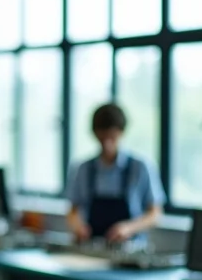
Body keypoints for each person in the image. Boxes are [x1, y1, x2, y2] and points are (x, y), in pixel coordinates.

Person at [66, 102, 165, 243]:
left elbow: (155, 214)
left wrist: (128, 228)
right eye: (102, 137)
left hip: (131, 250)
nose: (107, 144)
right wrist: (78, 227)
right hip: (93, 247)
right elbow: (73, 211)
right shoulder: (83, 169)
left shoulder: (141, 167)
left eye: (112, 137)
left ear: (122, 132)